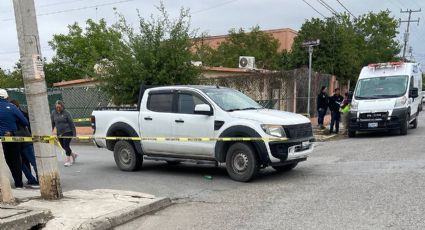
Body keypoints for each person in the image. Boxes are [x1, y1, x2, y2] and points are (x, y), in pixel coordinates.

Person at [0, 89, 29, 189]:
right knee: (15, 161)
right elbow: (25, 122)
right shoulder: (12, 107)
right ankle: (18, 184)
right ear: (7, 97)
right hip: (11, 138)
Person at [10, 99, 39, 188]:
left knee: (33, 161)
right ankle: (31, 179)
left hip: (24, 140)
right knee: (22, 163)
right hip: (16, 141)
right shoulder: (14, 114)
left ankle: (39, 178)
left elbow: (27, 124)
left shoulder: (20, 114)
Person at [51, 100, 77, 167]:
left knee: (66, 145)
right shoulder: (53, 113)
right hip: (59, 133)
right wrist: (51, 131)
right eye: (57, 107)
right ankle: (73, 155)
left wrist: (74, 133)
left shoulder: (66, 113)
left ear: (62, 106)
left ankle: (68, 161)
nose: (58, 108)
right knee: (63, 146)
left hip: (68, 131)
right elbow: (52, 123)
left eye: (59, 107)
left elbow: (71, 123)